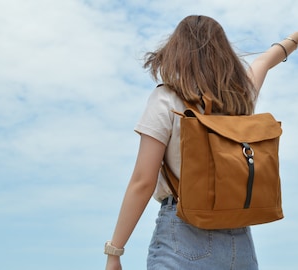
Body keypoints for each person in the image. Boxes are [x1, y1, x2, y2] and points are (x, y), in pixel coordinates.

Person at [104, 15, 298, 270]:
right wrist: (294, 39)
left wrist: (114, 251)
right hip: (240, 245)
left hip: (183, 234)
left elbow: (143, 181)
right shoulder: (240, 97)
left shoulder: (166, 99)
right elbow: (265, 60)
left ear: (177, 52)